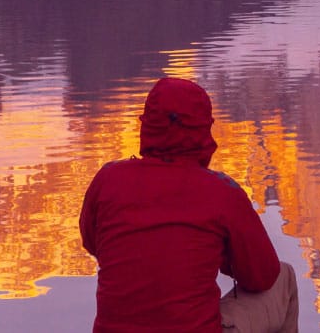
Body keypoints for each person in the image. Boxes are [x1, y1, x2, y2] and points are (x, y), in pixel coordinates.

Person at [78, 77, 300, 333]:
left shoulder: (108, 180)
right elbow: (263, 276)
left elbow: (94, 243)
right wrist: (222, 256)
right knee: (283, 278)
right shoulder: (221, 192)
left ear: (147, 124)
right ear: (203, 130)